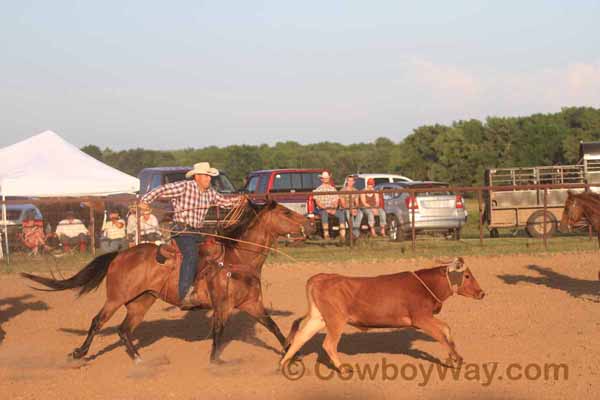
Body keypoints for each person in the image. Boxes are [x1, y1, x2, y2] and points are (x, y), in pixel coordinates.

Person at [140, 162, 243, 308]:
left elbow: (224, 202)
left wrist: (240, 201)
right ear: (197, 176)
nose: (209, 179)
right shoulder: (184, 186)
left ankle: (209, 287)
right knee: (191, 255)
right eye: (206, 176)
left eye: (209, 176)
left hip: (197, 232)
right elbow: (161, 189)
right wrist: (145, 201)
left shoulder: (210, 192)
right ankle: (184, 295)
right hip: (182, 231)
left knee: (215, 251)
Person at [313, 171, 346, 241]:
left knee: (341, 214)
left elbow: (336, 201)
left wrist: (333, 208)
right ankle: (326, 234)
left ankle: (342, 234)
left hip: (332, 209)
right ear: (321, 179)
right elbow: (318, 203)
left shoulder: (333, 189)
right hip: (322, 209)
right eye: (324, 178)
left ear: (329, 179)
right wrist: (326, 209)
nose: (325, 180)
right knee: (324, 214)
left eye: (327, 178)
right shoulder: (318, 190)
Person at [339, 175, 362, 239]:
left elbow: (357, 203)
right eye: (349, 181)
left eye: (352, 181)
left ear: (354, 182)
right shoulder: (342, 191)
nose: (350, 182)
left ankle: (354, 231)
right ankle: (355, 233)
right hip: (345, 208)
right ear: (347, 182)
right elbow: (343, 204)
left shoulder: (356, 191)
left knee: (360, 213)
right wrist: (350, 209)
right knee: (348, 213)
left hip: (353, 207)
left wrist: (356, 208)